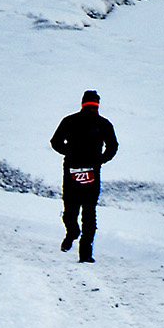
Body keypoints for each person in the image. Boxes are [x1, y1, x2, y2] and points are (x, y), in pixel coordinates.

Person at [49, 89, 117, 261]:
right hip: (92, 173)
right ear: (97, 104)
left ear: (82, 103)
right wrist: (100, 160)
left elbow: (55, 142)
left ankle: (72, 233)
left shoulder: (70, 120)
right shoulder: (104, 124)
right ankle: (85, 254)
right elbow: (113, 147)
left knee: (71, 210)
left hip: (71, 171)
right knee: (89, 213)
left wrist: (69, 154)